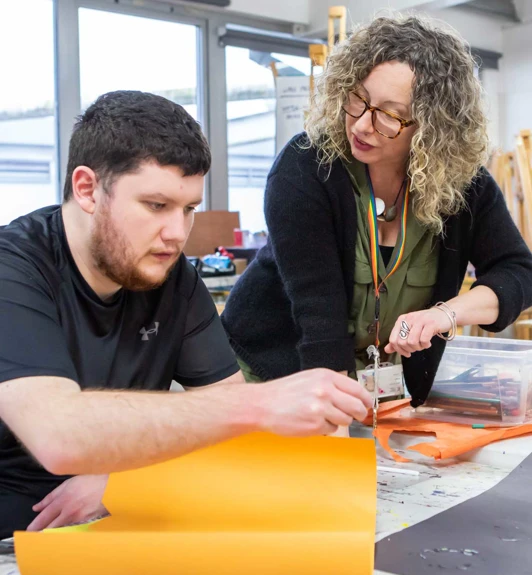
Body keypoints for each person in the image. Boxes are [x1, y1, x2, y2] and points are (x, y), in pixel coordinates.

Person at [0, 91, 373, 539]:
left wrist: (121, 481)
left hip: (126, 519)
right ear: (87, 189)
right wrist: (261, 403)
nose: (177, 234)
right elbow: (59, 436)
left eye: (189, 209)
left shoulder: (172, 277)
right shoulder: (14, 270)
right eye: (156, 206)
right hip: (16, 541)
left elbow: (227, 434)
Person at [222, 15, 532, 414]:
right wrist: (337, 448)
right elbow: (320, 322)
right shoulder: (306, 168)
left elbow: (519, 272)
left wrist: (445, 315)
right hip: (271, 374)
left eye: (390, 113)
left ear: (432, 127)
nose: (364, 125)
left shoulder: (463, 186)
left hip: (369, 390)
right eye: (359, 98)